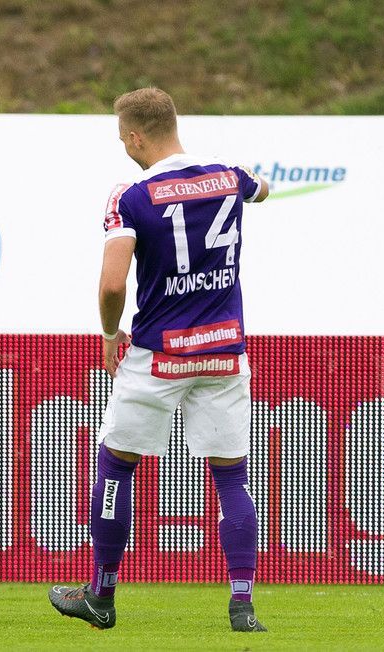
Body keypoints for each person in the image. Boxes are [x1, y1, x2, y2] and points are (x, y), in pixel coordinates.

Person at [48, 87, 269, 632]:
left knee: (116, 465)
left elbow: (112, 284)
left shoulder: (131, 196)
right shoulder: (228, 175)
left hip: (159, 354)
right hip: (223, 350)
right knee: (231, 478)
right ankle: (243, 606)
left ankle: (101, 595)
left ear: (134, 137)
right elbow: (262, 188)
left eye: (122, 138)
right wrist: (250, 185)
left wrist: (109, 332)